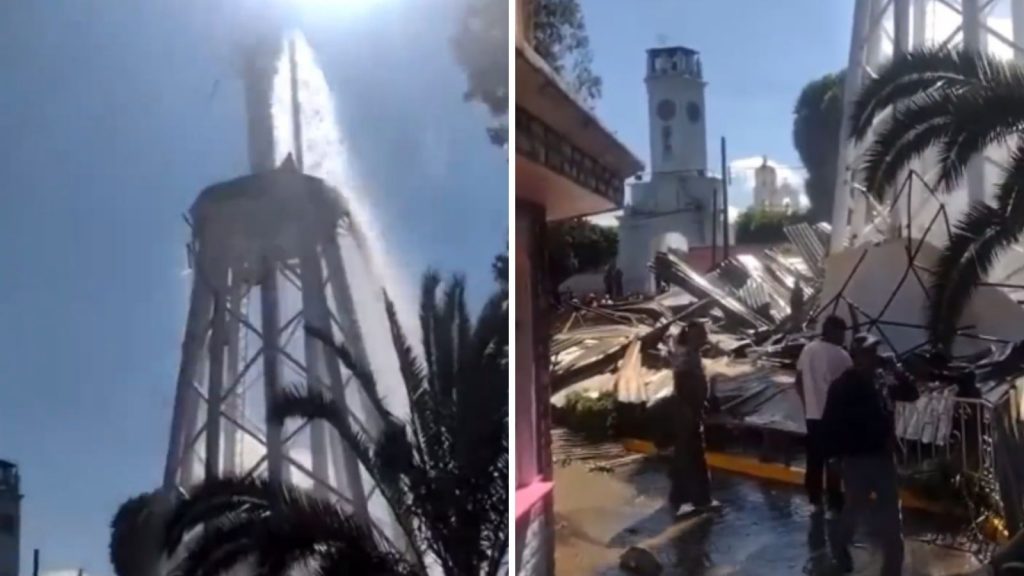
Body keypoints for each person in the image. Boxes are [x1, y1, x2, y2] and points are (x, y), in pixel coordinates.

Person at [822, 334, 920, 576]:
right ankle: (839, 543)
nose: (874, 357)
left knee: (892, 522)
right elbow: (830, 423)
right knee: (854, 511)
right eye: (868, 352)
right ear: (856, 357)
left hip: (883, 459)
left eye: (875, 351)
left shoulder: (882, 381)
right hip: (856, 461)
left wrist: (898, 370)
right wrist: (832, 457)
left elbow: (912, 393)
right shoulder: (842, 386)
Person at [795, 315, 851, 515]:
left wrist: (808, 404)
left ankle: (814, 499)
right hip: (835, 416)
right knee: (834, 459)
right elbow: (849, 387)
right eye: (842, 333)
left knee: (814, 459)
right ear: (834, 332)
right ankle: (835, 501)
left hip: (812, 415)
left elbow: (798, 381)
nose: (844, 337)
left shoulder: (808, 349)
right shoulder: (842, 356)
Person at [668, 321, 718, 516]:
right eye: (703, 334)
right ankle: (701, 500)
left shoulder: (689, 354)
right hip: (689, 414)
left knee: (685, 455)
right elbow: (685, 386)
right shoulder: (688, 358)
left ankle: (679, 496)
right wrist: (693, 410)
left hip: (689, 412)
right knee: (695, 457)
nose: (706, 337)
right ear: (693, 336)